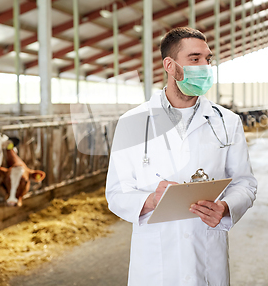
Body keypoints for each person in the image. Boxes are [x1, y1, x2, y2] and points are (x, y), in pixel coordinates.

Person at [105, 27, 257, 286]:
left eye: (207, 59)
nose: (205, 67)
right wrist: (151, 200)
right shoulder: (133, 122)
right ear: (170, 65)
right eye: (195, 59)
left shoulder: (227, 121)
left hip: (207, 254)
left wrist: (225, 207)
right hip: (155, 263)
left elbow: (245, 183)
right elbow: (116, 192)